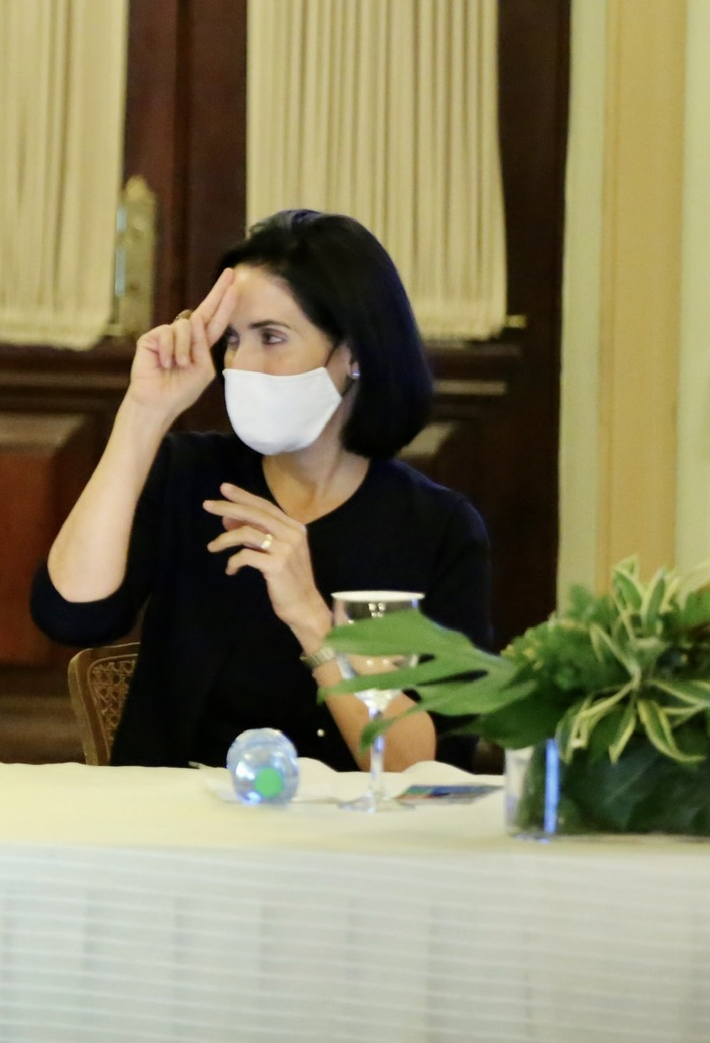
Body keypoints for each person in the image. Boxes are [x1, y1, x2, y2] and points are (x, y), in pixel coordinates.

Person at [32, 210, 492, 770]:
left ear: (353, 353)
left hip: (341, 823)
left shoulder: (436, 529)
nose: (243, 365)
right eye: (232, 339)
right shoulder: (189, 474)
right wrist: (143, 413)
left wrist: (313, 619)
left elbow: (432, 768)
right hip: (175, 813)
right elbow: (71, 615)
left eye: (272, 337)